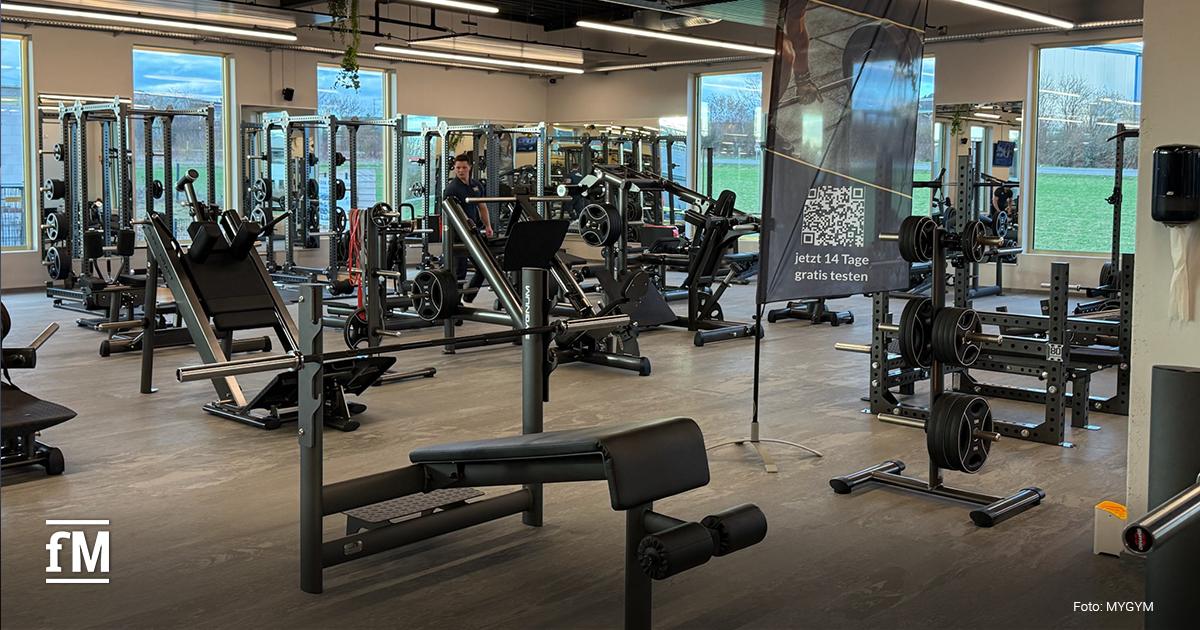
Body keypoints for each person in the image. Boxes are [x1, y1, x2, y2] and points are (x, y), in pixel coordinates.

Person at [442, 154, 494, 299]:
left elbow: (482, 207)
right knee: (460, 272)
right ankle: (456, 305)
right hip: (457, 234)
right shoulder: (451, 189)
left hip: (472, 232)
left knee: (484, 267)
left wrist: (488, 226)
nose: (460, 170)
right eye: (458, 168)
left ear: (470, 167)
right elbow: (449, 214)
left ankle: (468, 296)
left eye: (464, 167)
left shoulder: (476, 186)